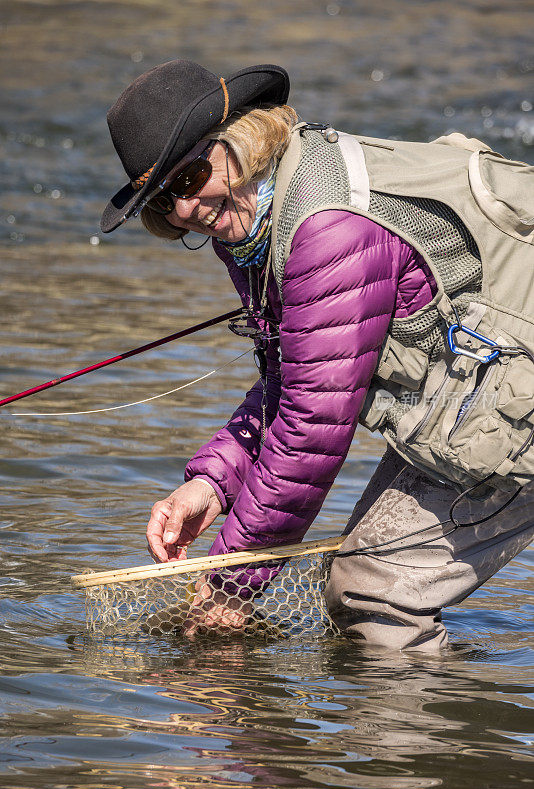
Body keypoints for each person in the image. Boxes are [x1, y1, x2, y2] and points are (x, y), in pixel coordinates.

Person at [101, 59, 534, 649]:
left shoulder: (326, 230)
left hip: (510, 401)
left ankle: (428, 740)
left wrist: (229, 585)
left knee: (370, 592)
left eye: (187, 177)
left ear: (239, 141)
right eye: (160, 198)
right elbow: (293, 382)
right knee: (356, 587)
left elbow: (312, 428)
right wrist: (210, 486)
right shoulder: (255, 223)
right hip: (474, 399)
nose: (182, 210)